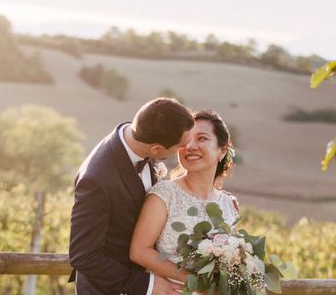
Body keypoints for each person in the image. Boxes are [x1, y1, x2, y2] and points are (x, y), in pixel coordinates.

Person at [69, 98, 195, 295]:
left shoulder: (142, 135)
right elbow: (84, 256)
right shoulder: (96, 180)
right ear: (156, 149)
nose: (186, 148)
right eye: (180, 145)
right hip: (108, 289)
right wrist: (147, 285)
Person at [129, 109, 238, 285]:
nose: (190, 146)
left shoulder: (229, 204)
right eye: (186, 140)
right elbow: (139, 251)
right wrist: (195, 282)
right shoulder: (164, 194)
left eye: (202, 138)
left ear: (222, 150)